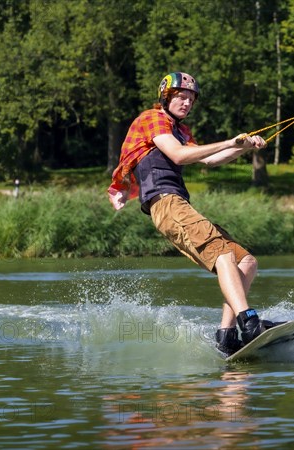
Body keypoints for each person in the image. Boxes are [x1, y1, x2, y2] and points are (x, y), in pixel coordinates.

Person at [107, 72, 281, 356]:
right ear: (166, 97)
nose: (187, 103)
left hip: (179, 204)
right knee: (222, 255)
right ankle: (249, 323)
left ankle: (226, 335)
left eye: (190, 99)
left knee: (246, 261)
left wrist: (242, 147)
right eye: (181, 97)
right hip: (165, 204)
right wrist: (229, 141)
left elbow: (208, 158)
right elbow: (177, 156)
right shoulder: (152, 119)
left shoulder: (181, 131)